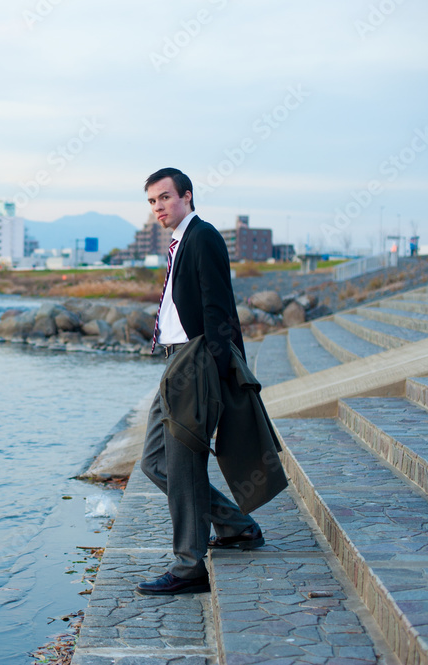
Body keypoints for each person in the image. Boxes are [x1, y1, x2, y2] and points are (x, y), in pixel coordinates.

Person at [135, 167, 265, 596]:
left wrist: (215, 367)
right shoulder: (180, 242)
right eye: (152, 201)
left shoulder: (202, 236)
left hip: (194, 360)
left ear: (187, 196)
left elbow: (219, 307)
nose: (158, 207)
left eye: (165, 197)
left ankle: (190, 568)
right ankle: (237, 526)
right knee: (154, 460)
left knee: (184, 463)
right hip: (175, 362)